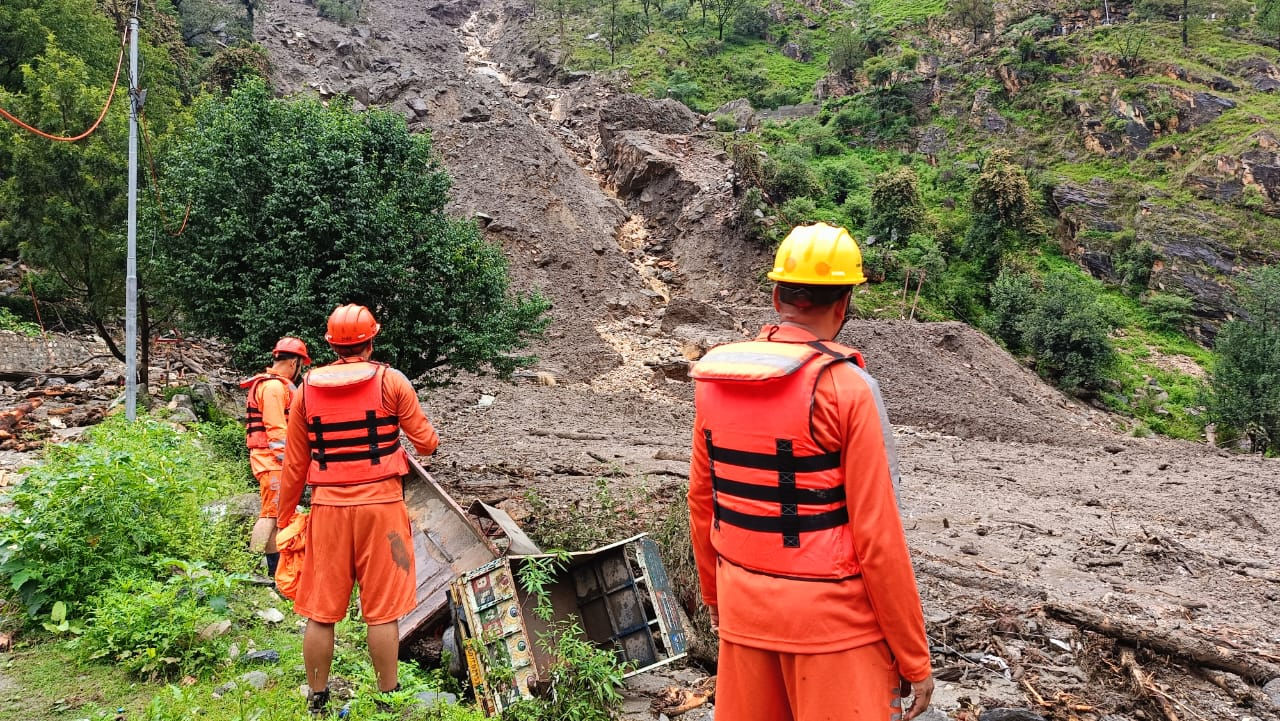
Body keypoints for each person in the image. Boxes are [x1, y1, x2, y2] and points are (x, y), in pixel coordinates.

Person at [687, 222, 934, 721]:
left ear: (777, 296)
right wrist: (914, 656)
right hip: (834, 630)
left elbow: (701, 503)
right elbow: (878, 536)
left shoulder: (714, 381)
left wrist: (716, 600)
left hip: (743, 611)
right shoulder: (849, 388)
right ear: (844, 305)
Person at [276, 304, 440, 716]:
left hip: (328, 509)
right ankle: (388, 698)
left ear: (331, 345)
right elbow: (426, 444)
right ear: (371, 341)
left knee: (321, 611)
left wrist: (284, 517)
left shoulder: (306, 388)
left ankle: (318, 699)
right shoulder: (391, 381)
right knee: (382, 611)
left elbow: (294, 464)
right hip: (382, 509)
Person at [240, 336, 311, 581]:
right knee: (269, 516)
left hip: (271, 461)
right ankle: (253, 572)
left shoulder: (271, 385)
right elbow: (277, 430)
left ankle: (272, 573)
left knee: (274, 515)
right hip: (272, 463)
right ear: (294, 363)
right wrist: (290, 462)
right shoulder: (273, 388)